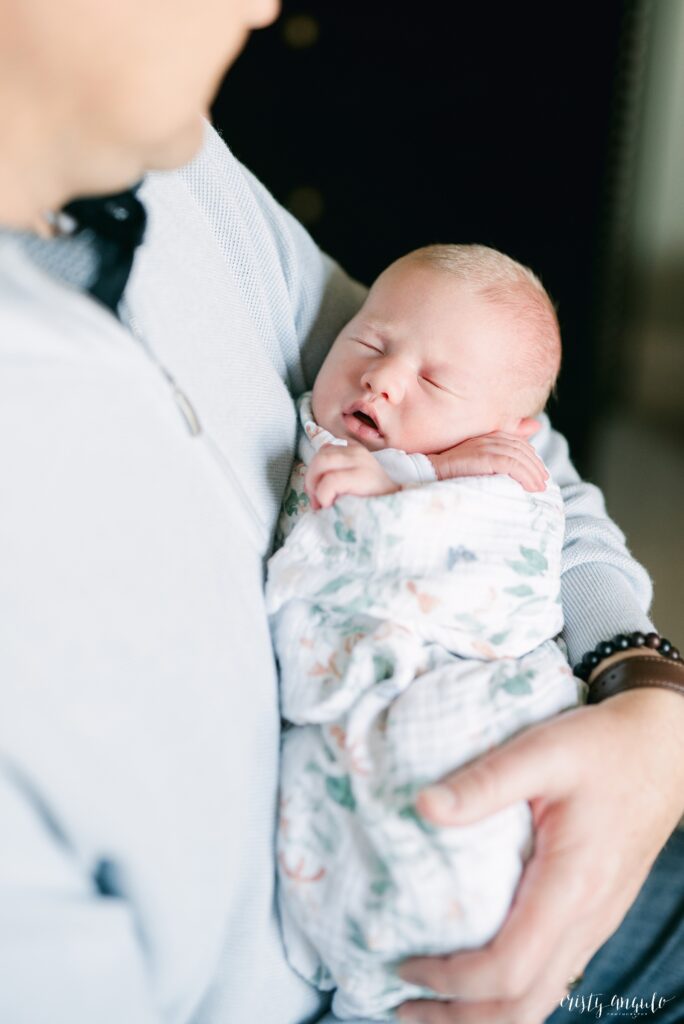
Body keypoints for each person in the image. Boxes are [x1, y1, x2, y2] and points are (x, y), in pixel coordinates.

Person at [0, 2, 682, 1023]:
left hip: (558, 773)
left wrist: (642, 685)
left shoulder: (173, 172)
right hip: (385, 966)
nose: (262, 4)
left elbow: (508, 441)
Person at [269, 243, 584, 1018]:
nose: (382, 377)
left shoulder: (500, 482)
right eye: (370, 342)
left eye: (435, 381)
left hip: (468, 718)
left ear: (513, 430)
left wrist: (417, 481)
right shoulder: (322, 424)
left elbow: (507, 554)